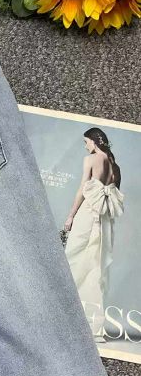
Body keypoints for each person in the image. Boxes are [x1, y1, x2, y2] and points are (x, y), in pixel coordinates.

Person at [63, 127, 124, 341]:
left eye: (86, 142)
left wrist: (71, 216)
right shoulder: (115, 166)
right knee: (96, 269)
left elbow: (82, 190)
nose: (85, 146)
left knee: (72, 259)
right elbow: (114, 194)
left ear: (94, 141)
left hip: (88, 214)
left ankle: (66, 320)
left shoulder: (90, 160)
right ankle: (94, 328)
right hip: (105, 220)